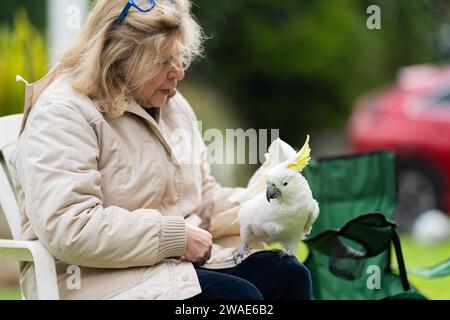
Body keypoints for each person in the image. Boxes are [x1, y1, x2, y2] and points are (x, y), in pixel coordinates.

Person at [8, 0, 312, 300]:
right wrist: (174, 238)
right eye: (164, 60)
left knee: (288, 275)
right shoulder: (62, 112)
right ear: (120, 57)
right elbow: (70, 226)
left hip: (172, 270)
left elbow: (203, 198)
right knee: (237, 299)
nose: (178, 72)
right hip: (95, 280)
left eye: (180, 58)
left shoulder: (172, 106)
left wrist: (274, 206)